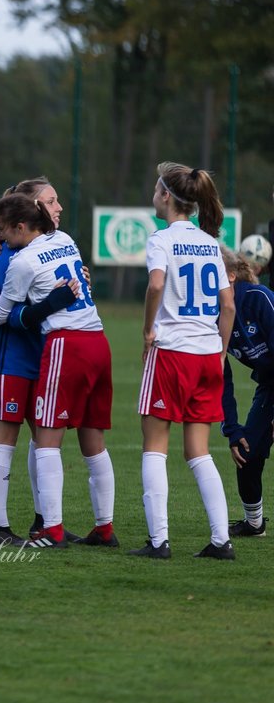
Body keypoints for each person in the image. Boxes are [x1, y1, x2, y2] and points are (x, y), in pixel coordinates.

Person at [0, 193, 117, 550]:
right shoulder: (66, 239)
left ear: (20, 226)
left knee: (46, 438)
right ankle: (104, 528)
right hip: (98, 340)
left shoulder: (21, 261)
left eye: (3, 230)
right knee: (94, 441)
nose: (1, 238)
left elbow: (1, 315)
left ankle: (52, 530)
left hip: (66, 344)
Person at [132, 163, 236, 560]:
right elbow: (227, 305)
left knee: (155, 447)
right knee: (199, 451)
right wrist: (220, 349)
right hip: (208, 356)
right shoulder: (210, 243)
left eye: (156, 187)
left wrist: (147, 331)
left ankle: (159, 542)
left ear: (166, 197)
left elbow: (157, 283)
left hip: (172, 353)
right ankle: (221, 540)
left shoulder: (161, 240)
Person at [0, 178, 84, 547]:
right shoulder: (11, 256)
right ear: (30, 211)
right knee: (4, 440)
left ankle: (46, 522)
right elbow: (14, 314)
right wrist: (52, 302)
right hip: (9, 359)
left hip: (43, 358)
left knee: (45, 443)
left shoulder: (50, 245)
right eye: (50, 201)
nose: (57, 207)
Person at [220, 247, 274, 538]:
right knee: (246, 449)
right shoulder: (214, 315)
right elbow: (220, 377)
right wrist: (231, 428)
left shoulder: (259, 299)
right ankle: (254, 523)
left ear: (231, 275)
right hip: (269, 385)